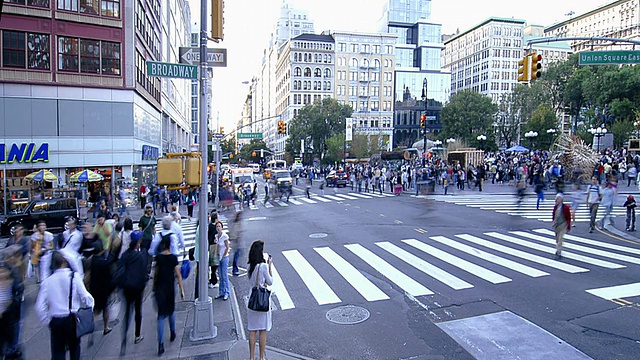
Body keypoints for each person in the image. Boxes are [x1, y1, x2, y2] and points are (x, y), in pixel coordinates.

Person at [35, 251, 94, 360]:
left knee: (58, 351)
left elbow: (39, 306)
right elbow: (86, 297)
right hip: (71, 318)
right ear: (65, 262)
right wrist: (89, 310)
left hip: (56, 320)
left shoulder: (47, 282)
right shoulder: (74, 277)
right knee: (75, 348)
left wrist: (48, 321)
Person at [153, 235, 184, 356]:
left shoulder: (159, 258)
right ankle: (172, 332)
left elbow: (155, 274)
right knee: (171, 311)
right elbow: (178, 274)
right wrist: (182, 289)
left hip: (160, 289)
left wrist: (153, 287)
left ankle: (160, 343)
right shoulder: (173, 258)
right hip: (170, 288)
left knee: (161, 316)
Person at [117, 235, 148, 356]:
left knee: (127, 313)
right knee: (138, 311)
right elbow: (143, 271)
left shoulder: (125, 256)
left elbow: (120, 270)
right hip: (137, 288)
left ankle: (124, 338)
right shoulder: (139, 256)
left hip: (127, 288)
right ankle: (137, 335)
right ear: (137, 245)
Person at [247, 240, 273, 360]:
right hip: (262, 300)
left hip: (252, 299)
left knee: (252, 330)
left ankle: (252, 357)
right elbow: (270, 282)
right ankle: (261, 357)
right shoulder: (263, 266)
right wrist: (270, 266)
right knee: (262, 329)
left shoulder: (249, 266)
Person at [552, 194, 572, 260]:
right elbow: (553, 216)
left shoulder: (566, 207)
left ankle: (558, 252)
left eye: (558, 199)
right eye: (556, 199)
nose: (557, 200)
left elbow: (568, 217)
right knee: (557, 239)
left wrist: (568, 226)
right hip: (556, 225)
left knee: (560, 239)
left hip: (563, 224)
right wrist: (553, 222)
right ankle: (558, 248)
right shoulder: (555, 207)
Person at [139, 204, 157, 273]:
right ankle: (143, 271)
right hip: (144, 240)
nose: (149, 210)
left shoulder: (153, 219)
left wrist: (155, 238)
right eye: (147, 208)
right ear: (145, 209)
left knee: (150, 256)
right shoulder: (142, 219)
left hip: (150, 240)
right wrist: (139, 240)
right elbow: (140, 229)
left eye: (150, 208)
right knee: (144, 255)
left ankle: (148, 271)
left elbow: (154, 229)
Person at [214, 222, 230, 301]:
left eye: (219, 226)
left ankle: (227, 292)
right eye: (217, 226)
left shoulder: (224, 236)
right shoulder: (216, 236)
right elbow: (217, 246)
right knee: (220, 275)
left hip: (224, 257)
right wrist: (217, 255)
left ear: (222, 227)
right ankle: (221, 292)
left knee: (224, 276)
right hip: (219, 257)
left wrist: (223, 256)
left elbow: (227, 247)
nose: (218, 228)